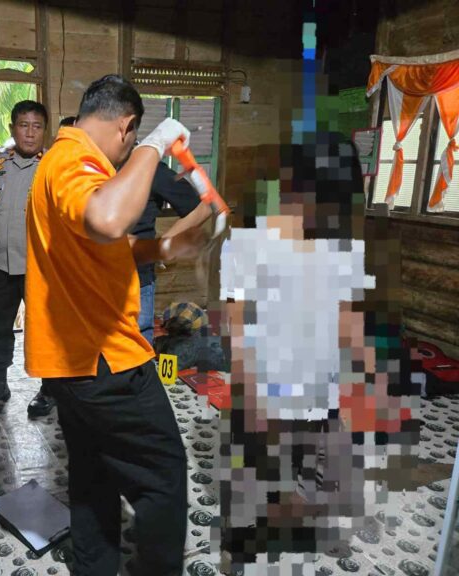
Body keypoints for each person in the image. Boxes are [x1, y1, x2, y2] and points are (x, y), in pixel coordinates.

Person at [25, 74, 211, 576]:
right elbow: (108, 220)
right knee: (162, 474)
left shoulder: (60, 160)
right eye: (133, 140)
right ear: (127, 127)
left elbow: (106, 244)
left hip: (71, 362)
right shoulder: (74, 160)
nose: (128, 152)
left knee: (94, 472)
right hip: (106, 358)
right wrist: (157, 144)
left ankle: (95, 567)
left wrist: (162, 247)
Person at [217, 134, 380, 570]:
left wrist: (364, 378)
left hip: (319, 390)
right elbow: (236, 327)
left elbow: (348, 317)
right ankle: (239, 546)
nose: (335, 212)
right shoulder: (248, 243)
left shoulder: (344, 248)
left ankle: (305, 529)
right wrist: (248, 393)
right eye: (330, 198)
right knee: (252, 474)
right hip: (264, 388)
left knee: (318, 471)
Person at [0, 101, 55, 417]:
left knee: (45, 331)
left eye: (37, 126)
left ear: (45, 131)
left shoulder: (54, 166)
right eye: (23, 125)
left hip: (41, 268)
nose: (30, 133)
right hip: (2, 265)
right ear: (12, 128)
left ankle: (49, 389)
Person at [132, 161, 201, 344]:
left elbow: (200, 208)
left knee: (137, 347)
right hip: (91, 281)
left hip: (137, 281)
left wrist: (162, 245)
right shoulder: (87, 165)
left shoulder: (150, 168)